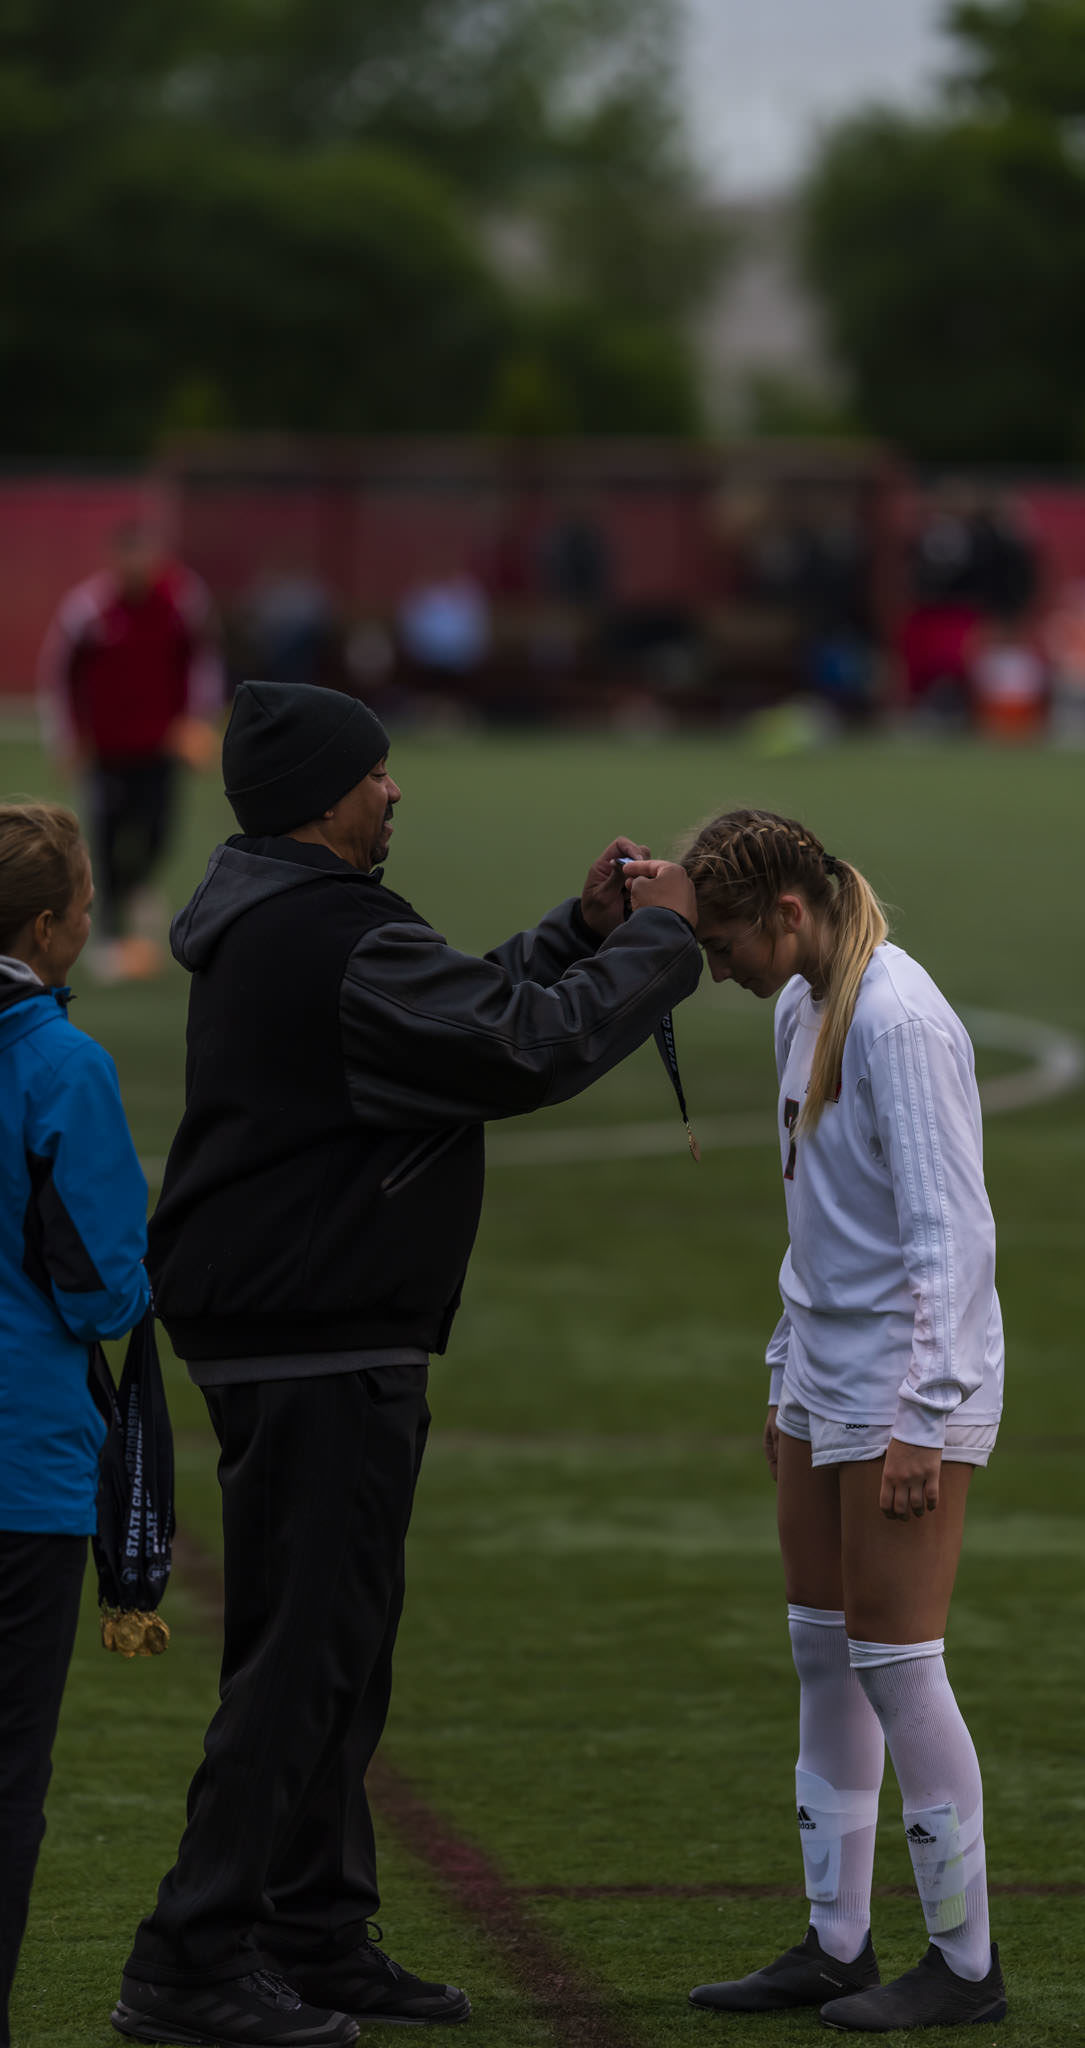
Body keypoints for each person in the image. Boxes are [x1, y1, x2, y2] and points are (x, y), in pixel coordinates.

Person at [113, 680, 700, 2048]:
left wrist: (576, 930)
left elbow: (462, 1005)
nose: (393, 793)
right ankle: (188, 1962)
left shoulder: (287, 917)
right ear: (322, 799)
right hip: (314, 1327)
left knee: (335, 1650)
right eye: (374, 776)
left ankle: (314, 1932)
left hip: (296, 1321)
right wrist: (658, 946)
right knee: (305, 1656)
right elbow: (517, 1047)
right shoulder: (331, 932)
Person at [680, 809, 1006, 2033]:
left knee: (893, 1656)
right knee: (821, 1646)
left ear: (788, 915)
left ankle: (966, 1964)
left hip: (904, 1376)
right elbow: (816, 1219)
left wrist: (922, 1413)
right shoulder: (797, 1003)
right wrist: (782, 1369)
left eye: (725, 943)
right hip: (822, 1367)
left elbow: (948, 1234)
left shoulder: (895, 1018)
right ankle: (834, 1942)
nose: (716, 967)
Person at [0, 802, 151, 2048]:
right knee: (3, 1779)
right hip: (19, 1467)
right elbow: (103, 1283)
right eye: (86, 908)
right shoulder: (62, 1066)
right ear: (46, 929)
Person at [36, 520, 224, 982]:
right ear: (114, 559)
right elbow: (59, 674)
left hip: (162, 745)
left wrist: (197, 720)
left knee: (159, 830)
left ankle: (140, 890)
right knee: (106, 836)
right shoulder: (88, 609)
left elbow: (201, 661)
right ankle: (114, 937)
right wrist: (67, 739)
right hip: (106, 750)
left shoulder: (181, 600)